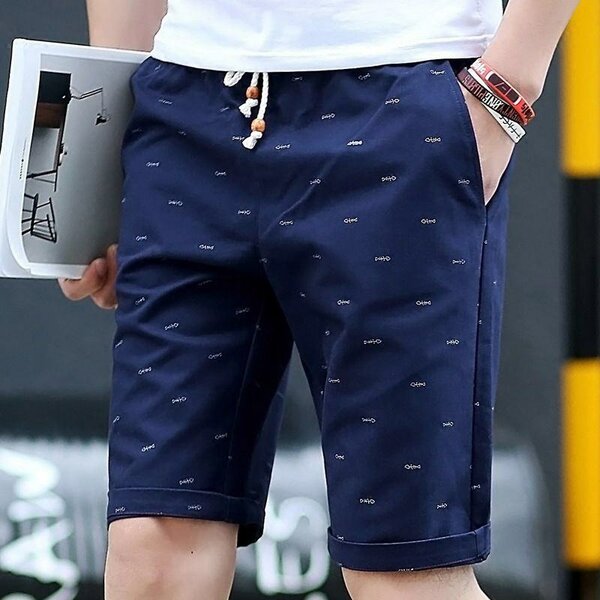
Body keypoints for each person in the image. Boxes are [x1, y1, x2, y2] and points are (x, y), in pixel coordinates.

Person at [59, 0, 578, 598]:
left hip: (399, 99)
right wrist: (101, 166)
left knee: (404, 573)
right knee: (152, 553)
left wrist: (505, 92)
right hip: (184, 110)